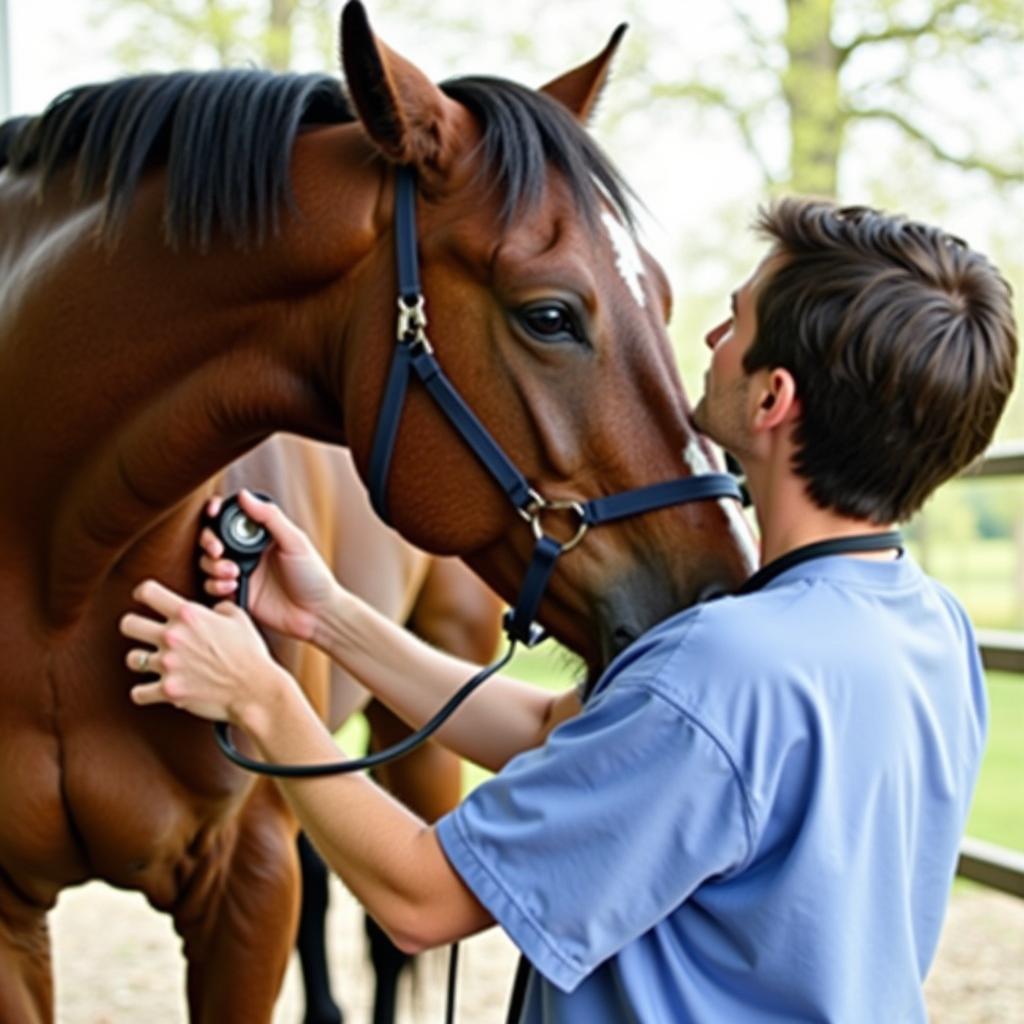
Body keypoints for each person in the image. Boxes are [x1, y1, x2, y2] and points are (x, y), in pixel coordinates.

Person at [120, 198, 1018, 1022]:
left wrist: (264, 701)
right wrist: (329, 618)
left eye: (735, 322)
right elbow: (564, 730)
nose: (707, 335)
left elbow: (419, 900)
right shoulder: (925, 625)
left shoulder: (722, 668)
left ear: (775, 397)